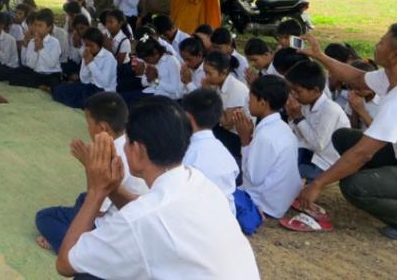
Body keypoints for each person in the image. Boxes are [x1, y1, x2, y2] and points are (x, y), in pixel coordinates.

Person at [55, 101, 259, 279]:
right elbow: (151, 215)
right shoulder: (197, 181)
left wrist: (96, 191)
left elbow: (65, 264)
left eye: (127, 142)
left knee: (89, 276)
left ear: (138, 150)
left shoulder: (140, 218)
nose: (123, 148)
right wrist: (113, 188)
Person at [297, 25, 397, 241]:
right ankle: (389, 185)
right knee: (343, 137)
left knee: (354, 185)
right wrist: (320, 56)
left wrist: (318, 183)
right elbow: (357, 78)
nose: (377, 45)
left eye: (382, 42)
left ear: (395, 55)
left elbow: (362, 154)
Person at [36, 93, 148, 254]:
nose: (87, 129)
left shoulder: (111, 153)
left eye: (88, 124)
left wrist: (89, 166)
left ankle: (74, 250)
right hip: (131, 215)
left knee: (44, 218)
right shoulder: (133, 140)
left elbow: (97, 208)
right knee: (81, 199)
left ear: (103, 128)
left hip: (111, 223)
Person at [233, 75, 302, 220]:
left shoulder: (265, 135)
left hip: (266, 204)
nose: (247, 101)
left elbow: (253, 179)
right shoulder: (282, 127)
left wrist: (245, 141)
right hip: (280, 198)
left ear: (263, 102)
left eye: (250, 98)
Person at [285, 60, 350, 182]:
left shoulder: (330, 110)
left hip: (325, 163)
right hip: (309, 153)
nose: (293, 95)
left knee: (286, 172)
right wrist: (292, 118)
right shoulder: (305, 104)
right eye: (291, 91)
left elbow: (318, 145)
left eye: (298, 91)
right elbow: (299, 137)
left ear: (315, 90)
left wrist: (298, 118)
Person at [181, 88, 240, 214]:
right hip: (228, 218)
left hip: (202, 219)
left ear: (188, 117)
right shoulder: (224, 151)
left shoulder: (188, 155)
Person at [202, 50, 249, 163]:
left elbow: (227, 123)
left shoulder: (236, 88)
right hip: (223, 130)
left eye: (209, 74)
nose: (206, 77)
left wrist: (212, 96)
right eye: (205, 73)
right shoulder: (218, 85)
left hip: (237, 135)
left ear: (223, 72)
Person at [52, 28, 117, 109]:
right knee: (60, 90)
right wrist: (86, 63)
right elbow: (84, 80)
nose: (88, 48)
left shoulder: (108, 58)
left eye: (91, 45)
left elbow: (104, 83)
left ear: (99, 44)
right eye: (86, 45)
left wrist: (91, 63)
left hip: (103, 92)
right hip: (88, 87)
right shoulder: (87, 53)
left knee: (83, 99)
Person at [10, 8, 63, 90]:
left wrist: (41, 48)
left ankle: (45, 86)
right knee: (14, 77)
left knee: (55, 85)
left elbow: (51, 64)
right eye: (35, 25)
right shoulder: (32, 41)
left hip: (51, 74)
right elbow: (29, 64)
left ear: (49, 28)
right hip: (37, 73)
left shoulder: (54, 42)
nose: (37, 28)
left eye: (40, 26)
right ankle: (41, 86)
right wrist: (34, 48)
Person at [123, 36, 183, 105]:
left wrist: (155, 80)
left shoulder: (170, 61)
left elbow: (174, 89)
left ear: (155, 52)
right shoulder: (151, 62)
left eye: (147, 59)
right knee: (124, 98)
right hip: (149, 91)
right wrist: (148, 78)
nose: (147, 62)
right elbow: (144, 83)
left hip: (164, 96)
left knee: (130, 102)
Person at [345, 60, 381, 131]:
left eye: (358, 88)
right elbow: (354, 129)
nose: (354, 91)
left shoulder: (384, 100)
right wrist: (354, 110)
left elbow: (378, 133)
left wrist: (361, 110)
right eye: (350, 87)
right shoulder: (356, 97)